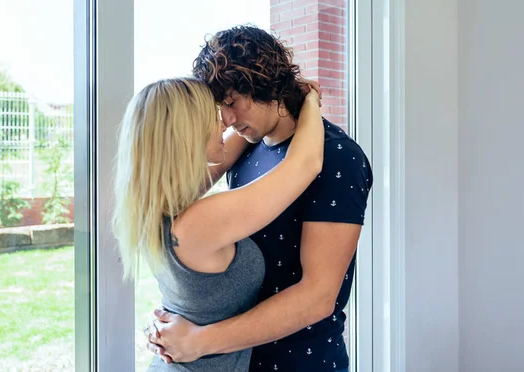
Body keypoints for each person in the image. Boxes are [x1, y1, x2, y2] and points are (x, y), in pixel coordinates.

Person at [144, 26, 373, 372]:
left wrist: (198, 340)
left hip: (301, 362)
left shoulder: (338, 157)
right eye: (220, 107)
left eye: (232, 102)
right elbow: (175, 189)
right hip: (237, 358)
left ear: (267, 85)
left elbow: (318, 298)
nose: (227, 120)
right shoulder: (244, 146)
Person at [112, 76, 324, 371]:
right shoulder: (200, 222)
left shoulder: (156, 207)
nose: (225, 123)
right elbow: (305, 163)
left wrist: (275, 103)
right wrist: (311, 100)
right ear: (188, 134)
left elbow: (227, 152)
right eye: (214, 117)